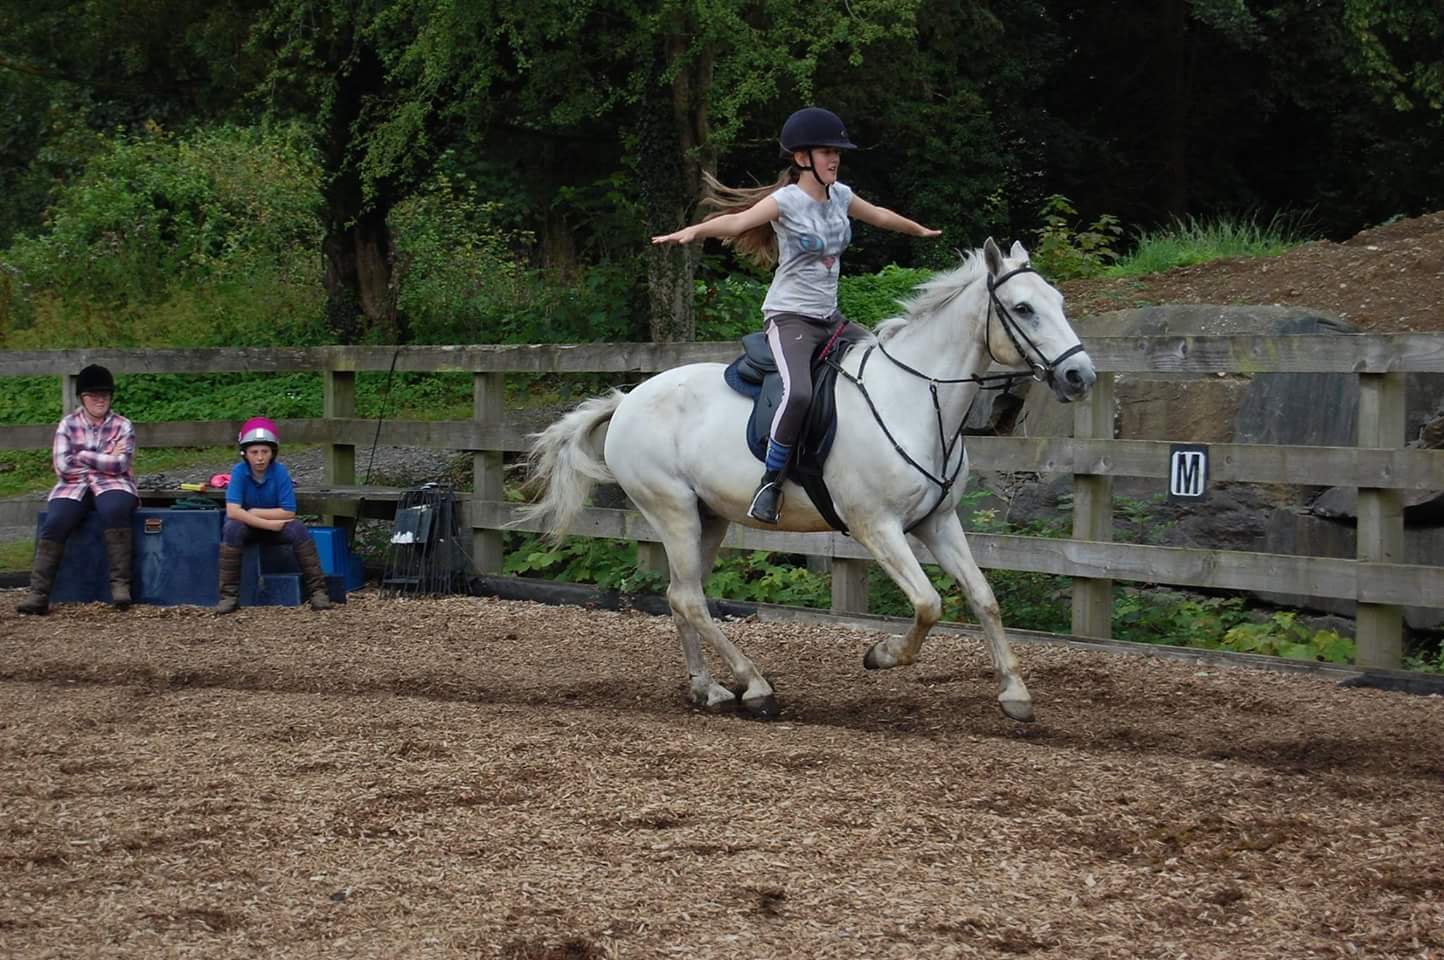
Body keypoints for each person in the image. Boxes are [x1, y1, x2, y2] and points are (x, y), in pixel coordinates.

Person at [652, 106, 941, 523]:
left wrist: (917, 230)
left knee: (883, 368)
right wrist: (693, 231)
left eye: (837, 152)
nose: (835, 159)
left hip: (830, 318)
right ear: (803, 158)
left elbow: (878, 215)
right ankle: (770, 481)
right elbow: (735, 225)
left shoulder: (841, 195)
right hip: (790, 318)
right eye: (827, 151)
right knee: (800, 392)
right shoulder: (785, 201)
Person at [18, 364, 139, 615]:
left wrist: (81, 456)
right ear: (82, 398)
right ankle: (39, 593)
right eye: (93, 395)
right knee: (57, 519)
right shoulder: (67, 424)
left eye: (104, 395)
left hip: (114, 484)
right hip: (73, 485)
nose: (100, 400)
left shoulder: (123, 425)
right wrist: (100, 457)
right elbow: (63, 467)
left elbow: (121, 464)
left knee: (116, 509)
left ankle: (120, 586)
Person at [215, 417, 333, 614]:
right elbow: (233, 511)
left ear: (273, 453)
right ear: (245, 454)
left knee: (298, 529)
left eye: (265, 452)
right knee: (231, 528)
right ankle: (229, 596)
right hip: (253, 526)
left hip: (270, 524)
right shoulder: (238, 472)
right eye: (254, 452)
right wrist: (268, 523)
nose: (260, 457)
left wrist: (253, 512)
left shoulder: (280, 472)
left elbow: (288, 511)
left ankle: (318, 591)